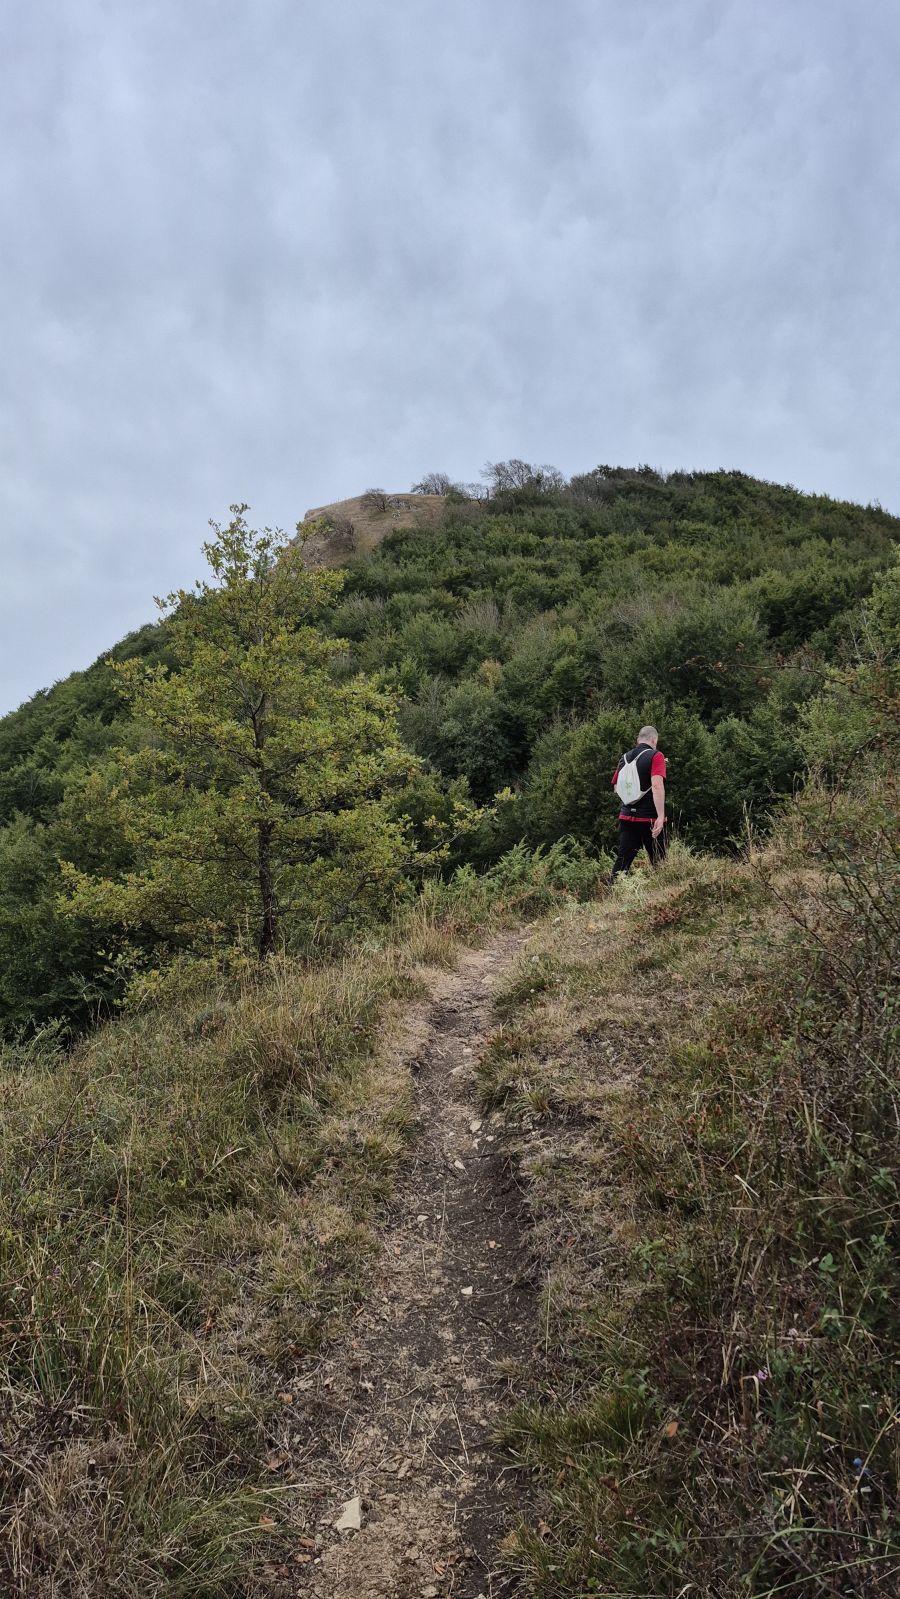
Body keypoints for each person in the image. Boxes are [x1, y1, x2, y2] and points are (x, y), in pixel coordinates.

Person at [609, 725, 667, 881]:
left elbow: (616, 787)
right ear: (654, 740)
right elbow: (656, 785)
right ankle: (662, 896)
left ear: (638, 739)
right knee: (660, 862)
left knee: (622, 863)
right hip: (649, 819)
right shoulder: (656, 756)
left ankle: (611, 894)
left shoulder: (625, 758)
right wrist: (660, 817)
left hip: (627, 817)